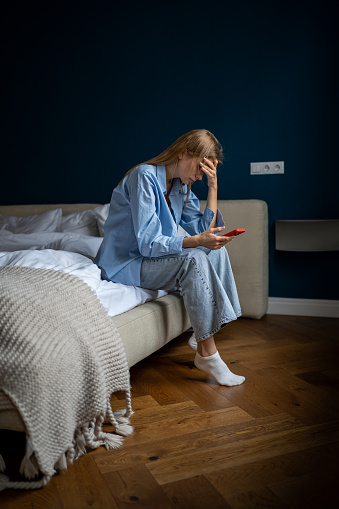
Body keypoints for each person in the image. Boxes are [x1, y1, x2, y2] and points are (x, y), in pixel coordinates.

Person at [94, 129, 245, 387]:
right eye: (200, 168)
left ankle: (204, 335)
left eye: (205, 172)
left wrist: (213, 187)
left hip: (151, 258)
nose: (198, 176)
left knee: (215, 251)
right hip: (126, 263)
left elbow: (202, 230)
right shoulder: (143, 176)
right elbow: (148, 244)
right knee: (194, 258)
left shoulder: (180, 187)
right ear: (183, 152)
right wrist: (198, 242)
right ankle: (207, 354)